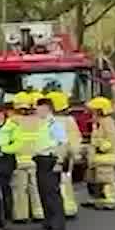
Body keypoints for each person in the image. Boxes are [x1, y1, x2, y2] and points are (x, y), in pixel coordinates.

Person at [32, 93, 67, 230]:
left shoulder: (55, 124)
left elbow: (63, 143)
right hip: (41, 160)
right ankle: (49, 222)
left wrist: (59, 162)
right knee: (44, 193)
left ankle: (57, 225)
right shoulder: (43, 124)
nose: (36, 111)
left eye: (38, 108)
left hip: (50, 160)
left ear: (46, 108)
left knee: (52, 194)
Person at [7, 92, 43, 224]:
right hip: (35, 160)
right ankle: (39, 212)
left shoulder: (12, 121)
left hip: (19, 160)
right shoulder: (38, 121)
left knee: (19, 189)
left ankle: (21, 215)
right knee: (35, 187)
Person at [48, 90, 81, 218]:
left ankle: (54, 209)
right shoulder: (69, 120)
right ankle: (68, 208)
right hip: (64, 157)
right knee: (65, 182)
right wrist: (74, 154)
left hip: (49, 156)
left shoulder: (46, 120)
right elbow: (74, 141)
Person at [87, 96, 115, 208]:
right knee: (95, 180)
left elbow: (112, 139)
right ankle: (97, 200)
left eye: (94, 110)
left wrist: (101, 147)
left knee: (106, 180)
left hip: (105, 157)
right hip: (97, 158)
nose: (92, 112)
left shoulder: (107, 122)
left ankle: (109, 201)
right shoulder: (99, 122)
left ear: (101, 110)